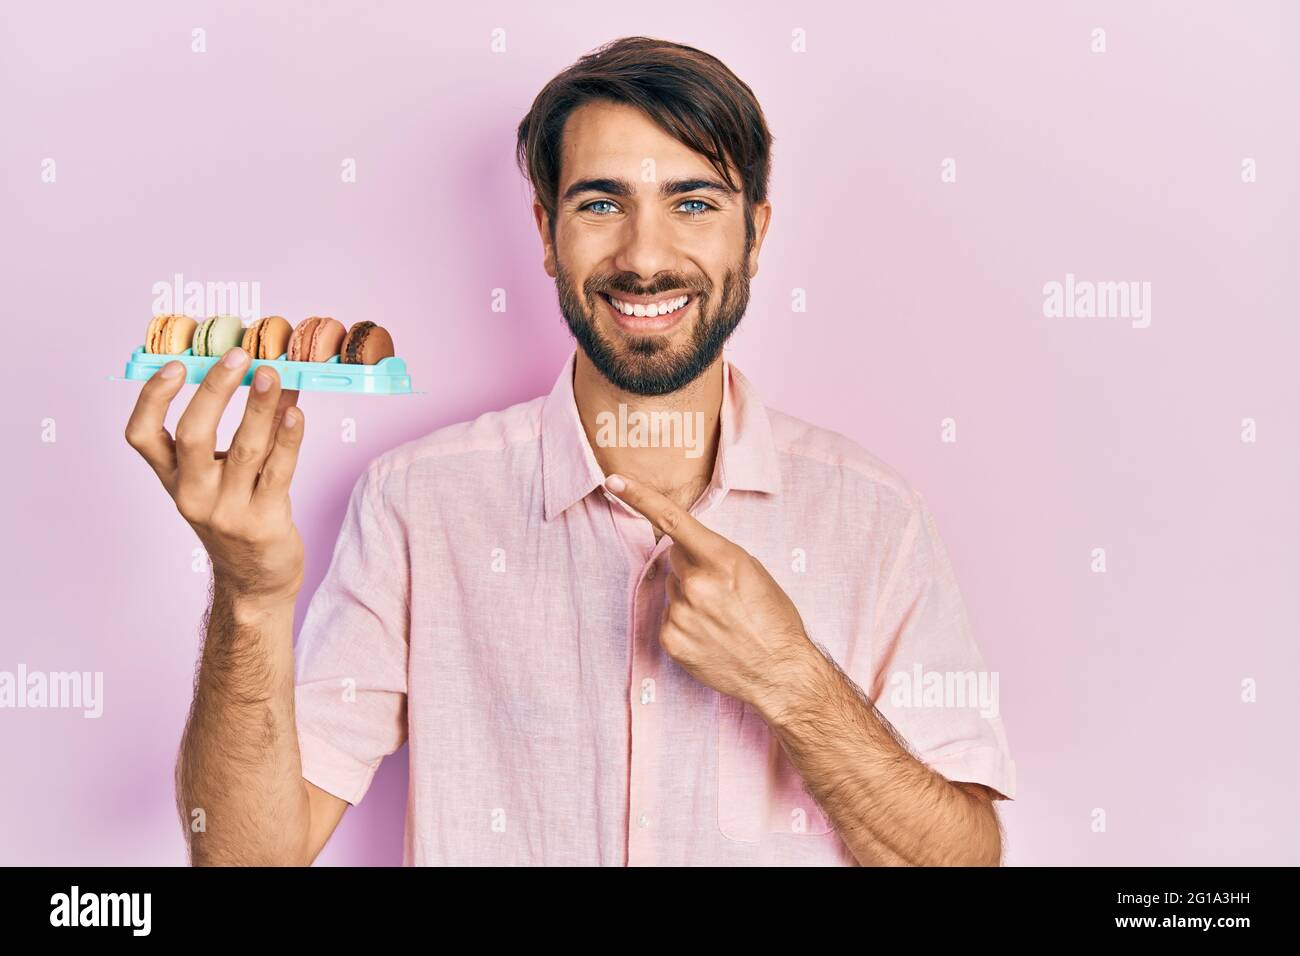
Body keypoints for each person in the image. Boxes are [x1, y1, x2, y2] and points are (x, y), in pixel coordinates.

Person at [125, 36, 1015, 866]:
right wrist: (247, 594)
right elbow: (243, 854)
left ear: (756, 231)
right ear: (547, 235)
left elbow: (965, 857)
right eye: (601, 204)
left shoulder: (874, 516)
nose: (644, 257)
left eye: (694, 203)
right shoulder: (416, 503)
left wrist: (791, 679)